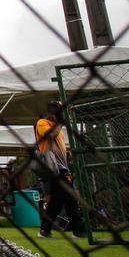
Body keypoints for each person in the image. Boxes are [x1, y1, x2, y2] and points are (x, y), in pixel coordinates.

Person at [34, 99, 84, 238]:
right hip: (53, 167)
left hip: (62, 167)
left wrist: (67, 155)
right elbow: (50, 135)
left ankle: (45, 230)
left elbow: (59, 144)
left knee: (57, 202)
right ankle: (78, 230)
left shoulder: (59, 129)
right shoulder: (42, 123)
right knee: (70, 199)